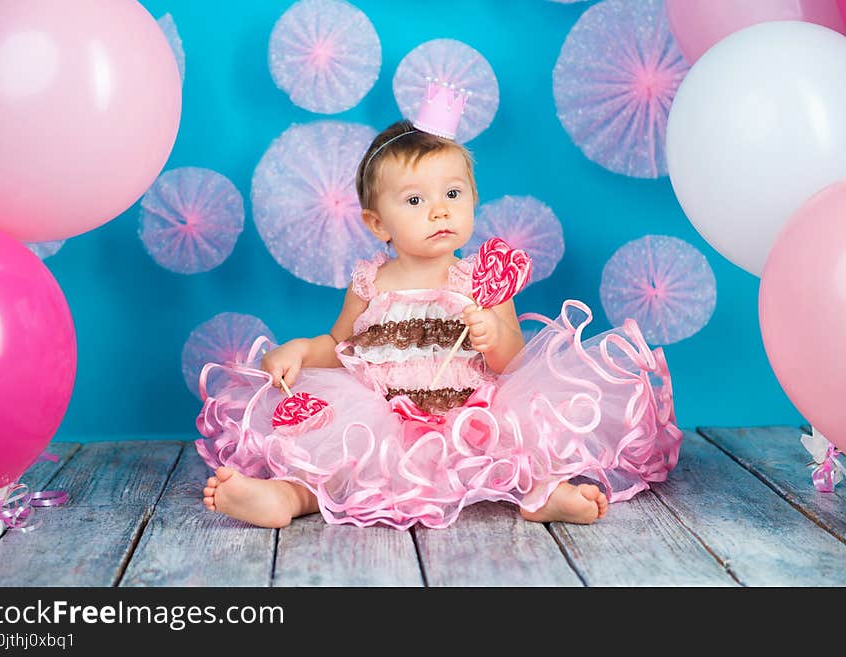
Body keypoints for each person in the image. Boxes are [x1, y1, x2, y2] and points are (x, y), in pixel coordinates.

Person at [198, 119, 681, 530]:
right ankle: (287, 497)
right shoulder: (371, 282)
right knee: (336, 459)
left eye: (453, 193)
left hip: (467, 412)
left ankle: (540, 496)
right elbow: (340, 345)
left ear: (472, 198)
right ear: (377, 224)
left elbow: (512, 358)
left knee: (508, 450)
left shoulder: (481, 279)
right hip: (382, 414)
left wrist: (490, 337)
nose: (439, 210)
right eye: (414, 201)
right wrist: (302, 350)